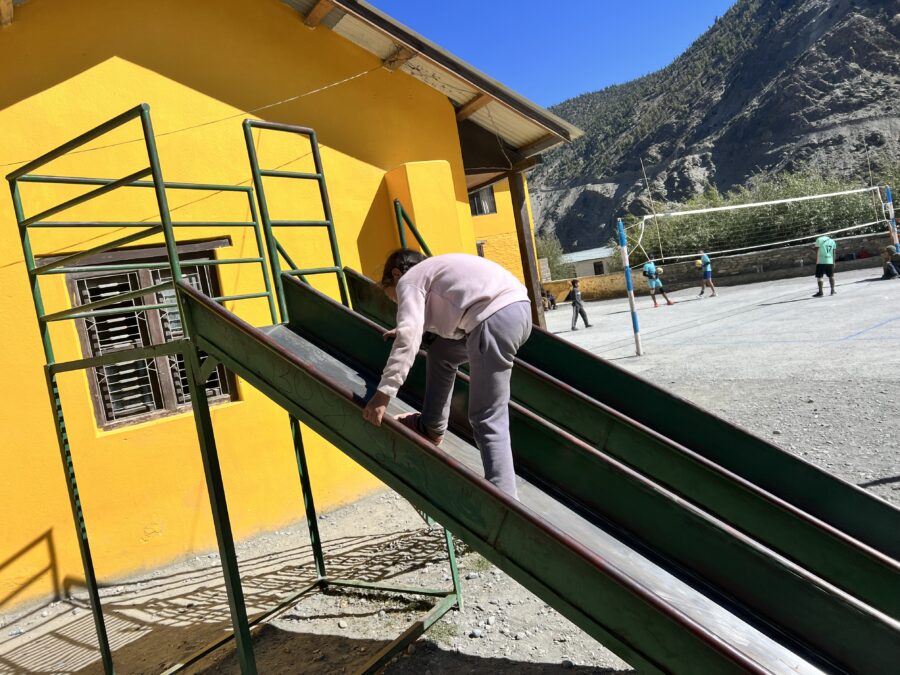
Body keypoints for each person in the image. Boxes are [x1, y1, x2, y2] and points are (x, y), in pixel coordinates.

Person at [362, 250, 532, 498]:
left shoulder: (409, 280)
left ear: (396, 275)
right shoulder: (433, 271)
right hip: (517, 311)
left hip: (492, 319)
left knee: (487, 415)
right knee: (442, 353)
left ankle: (504, 499)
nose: (397, 302)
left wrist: (383, 395)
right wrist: (406, 329)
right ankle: (431, 426)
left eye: (393, 297)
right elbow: (432, 317)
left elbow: (411, 332)